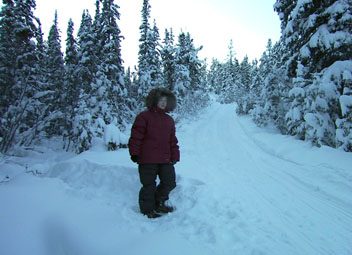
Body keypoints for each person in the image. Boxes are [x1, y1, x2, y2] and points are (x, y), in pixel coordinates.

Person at [128, 88, 180, 218]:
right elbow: (136, 136)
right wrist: (134, 153)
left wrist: (175, 155)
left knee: (170, 182)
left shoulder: (169, 120)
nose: (163, 103)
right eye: (160, 100)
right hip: (147, 159)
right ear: (154, 100)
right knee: (148, 185)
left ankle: (159, 203)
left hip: (165, 159)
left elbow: (172, 140)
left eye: (165, 101)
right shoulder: (144, 116)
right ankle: (147, 210)